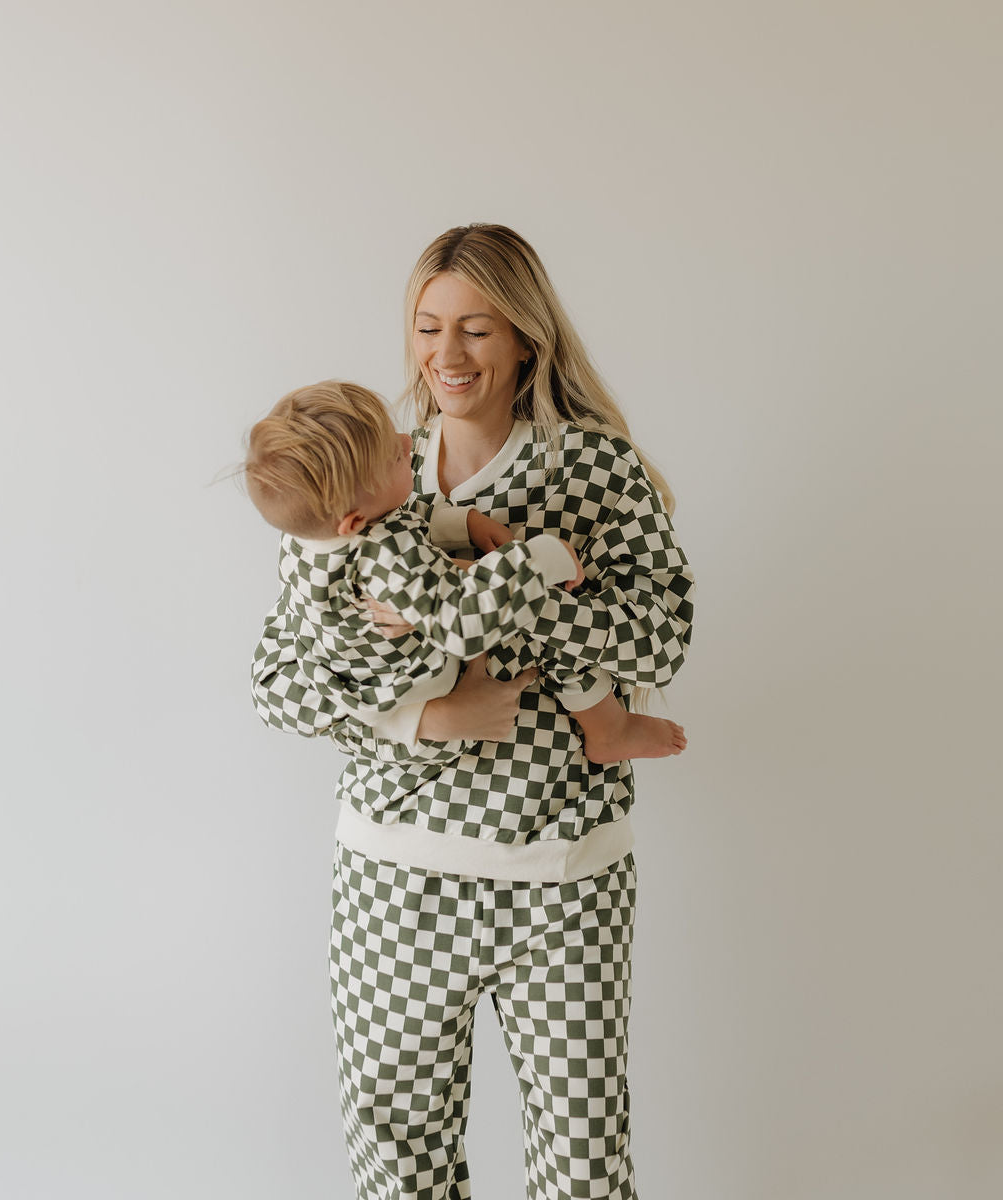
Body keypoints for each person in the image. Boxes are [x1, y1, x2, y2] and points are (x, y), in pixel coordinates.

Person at [251, 223, 696, 1200]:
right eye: (426, 327)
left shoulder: (598, 471)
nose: (446, 355)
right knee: (398, 1166)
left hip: (564, 884)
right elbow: (277, 681)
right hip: (394, 886)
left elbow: (660, 641)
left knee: (582, 1168)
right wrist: (425, 715)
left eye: (478, 330)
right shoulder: (362, 467)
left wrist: (515, 600)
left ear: (527, 338)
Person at [245, 378, 688, 764]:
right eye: (392, 458)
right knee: (525, 610)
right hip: (427, 695)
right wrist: (541, 558)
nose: (406, 443)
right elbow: (462, 620)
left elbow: (395, 520)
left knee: (543, 615)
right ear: (355, 523)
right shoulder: (385, 556)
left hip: (374, 692)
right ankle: (608, 729)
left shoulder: (305, 542)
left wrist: (462, 522)